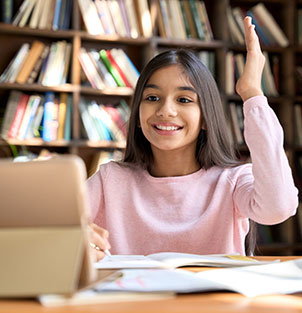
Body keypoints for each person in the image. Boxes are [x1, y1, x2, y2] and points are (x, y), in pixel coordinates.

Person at [87, 17, 298, 260]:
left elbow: (279, 208)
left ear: (206, 118)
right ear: (137, 115)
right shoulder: (110, 180)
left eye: (184, 100)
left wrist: (252, 93)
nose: (166, 110)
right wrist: (75, 236)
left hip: (216, 298)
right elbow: (50, 223)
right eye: (152, 98)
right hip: (134, 297)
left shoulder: (231, 181)